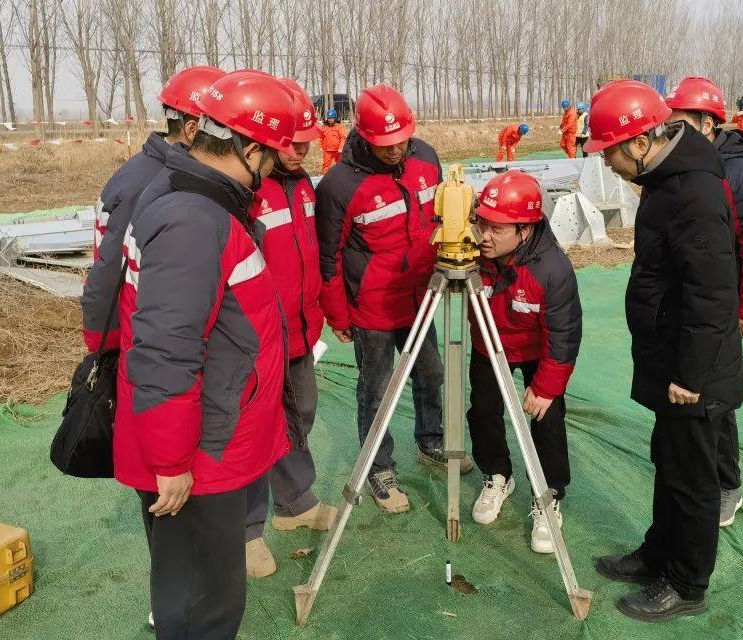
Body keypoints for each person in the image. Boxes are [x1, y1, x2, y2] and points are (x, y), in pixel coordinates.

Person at [113, 71, 299, 639]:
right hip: (198, 452)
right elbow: (167, 347)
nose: (272, 173)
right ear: (245, 147)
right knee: (204, 602)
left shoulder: (186, 195)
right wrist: (171, 461)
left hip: (209, 432)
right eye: (269, 159)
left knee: (194, 588)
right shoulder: (195, 219)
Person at [586, 80, 743, 623]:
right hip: (672, 356)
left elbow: (712, 292)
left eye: (607, 149)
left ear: (637, 141)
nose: (604, 161)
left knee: (695, 479)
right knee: (670, 463)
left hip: (693, 370)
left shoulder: (693, 193)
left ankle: (686, 583)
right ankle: (659, 553)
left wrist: (691, 374)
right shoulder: (665, 182)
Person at [316, 83, 471, 515]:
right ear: (364, 135)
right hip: (374, 307)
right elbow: (327, 258)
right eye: (386, 145)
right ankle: (379, 467)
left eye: (402, 140)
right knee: (377, 391)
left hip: (421, 297)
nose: (397, 150)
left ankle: (431, 440)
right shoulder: (339, 185)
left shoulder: (425, 158)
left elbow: (439, 214)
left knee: (432, 373)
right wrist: (338, 315)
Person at [664, 75, 743, 527]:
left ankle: (726, 486)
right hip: (698, 300)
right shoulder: (694, 164)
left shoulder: (740, 171)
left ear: (705, 122)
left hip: (725, 301)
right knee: (701, 393)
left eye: (677, 122)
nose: (669, 132)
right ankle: (700, 472)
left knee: (717, 399)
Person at [242, 76, 337, 578]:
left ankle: (295, 504)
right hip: (256, 340)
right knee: (253, 431)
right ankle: (244, 531)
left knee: (300, 418)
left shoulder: (303, 186)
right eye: (292, 142)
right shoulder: (247, 192)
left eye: (308, 141)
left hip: (300, 333)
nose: (303, 151)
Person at [467, 170, 582, 554]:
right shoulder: (473, 256)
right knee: (483, 412)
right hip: (489, 345)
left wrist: (547, 388)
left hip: (537, 353)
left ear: (525, 230)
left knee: (546, 421)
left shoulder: (552, 270)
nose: (485, 235)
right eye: (481, 222)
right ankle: (497, 475)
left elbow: (563, 335)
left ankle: (548, 497)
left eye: (496, 228)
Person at [81, 65, 225, 352]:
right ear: (193, 129)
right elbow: (110, 270)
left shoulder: (165, 172)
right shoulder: (148, 184)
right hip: (138, 339)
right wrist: (106, 344)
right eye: (222, 131)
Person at [318, 108, 347, 174]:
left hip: (337, 151)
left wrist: (340, 148)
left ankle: (341, 178)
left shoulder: (339, 127)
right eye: (329, 118)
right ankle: (324, 178)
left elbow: (343, 138)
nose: (330, 120)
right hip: (327, 150)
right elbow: (321, 137)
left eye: (331, 118)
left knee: (340, 165)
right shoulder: (324, 127)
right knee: (326, 165)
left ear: (335, 118)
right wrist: (321, 147)